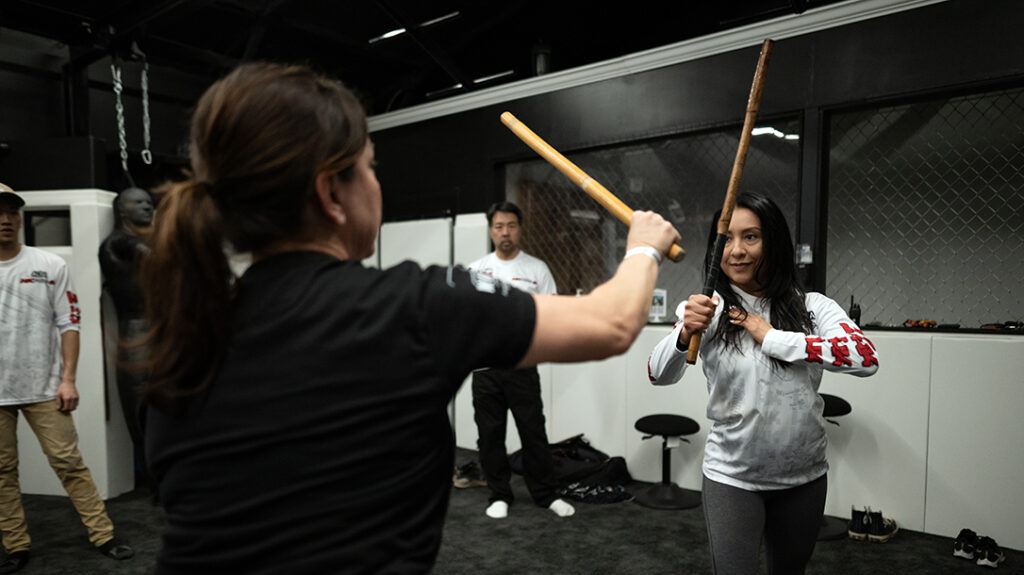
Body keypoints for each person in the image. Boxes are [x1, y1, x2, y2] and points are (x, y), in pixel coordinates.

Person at [138, 62, 680, 574]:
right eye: (370, 167)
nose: (376, 183)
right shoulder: (409, 305)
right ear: (331, 192)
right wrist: (644, 246)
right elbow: (610, 323)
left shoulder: (187, 336)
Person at [647, 192, 879, 575]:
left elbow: (865, 358)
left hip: (803, 476)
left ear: (773, 241)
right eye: (727, 239)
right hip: (733, 477)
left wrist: (773, 337)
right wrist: (686, 330)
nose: (737, 251)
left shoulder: (812, 307)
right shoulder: (710, 309)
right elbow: (658, 374)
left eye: (751, 237)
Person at [0, 184, 134, 574]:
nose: (5, 220)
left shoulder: (49, 265)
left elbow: (69, 322)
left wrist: (68, 379)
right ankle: (16, 546)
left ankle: (103, 535)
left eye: (12, 212)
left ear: (21, 218)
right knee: (3, 472)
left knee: (69, 462)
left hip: (45, 386)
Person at [467, 201, 574, 519]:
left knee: (533, 432)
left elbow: (551, 314)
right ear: (491, 231)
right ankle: (499, 494)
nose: (505, 232)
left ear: (520, 228)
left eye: (511, 226)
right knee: (489, 435)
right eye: (499, 226)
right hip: (486, 369)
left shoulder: (536, 269)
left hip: (523, 366)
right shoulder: (475, 270)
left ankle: (546, 494)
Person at [98, 187, 154, 480]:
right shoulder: (118, 242)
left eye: (149, 202)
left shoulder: (142, 241)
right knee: (140, 412)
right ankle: (155, 483)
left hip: (159, 329)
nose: (147, 206)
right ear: (122, 209)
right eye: (139, 202)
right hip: (136, 331)